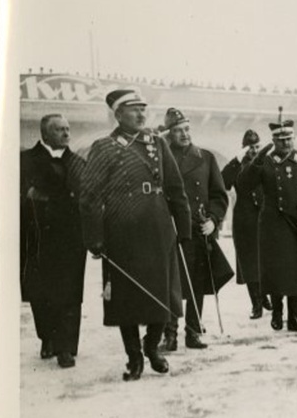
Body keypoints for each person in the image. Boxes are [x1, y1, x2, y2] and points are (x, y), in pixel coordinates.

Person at [79, 89, 191, 381]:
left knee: (163, 294)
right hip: (122, 232)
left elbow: (176, 189)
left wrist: (184, 229)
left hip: (158, 229)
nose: (141, 114)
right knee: (127, 299)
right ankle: (134, 358)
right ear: (118, 115)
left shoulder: (157, 143)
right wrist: (95, 238)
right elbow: (89, 196)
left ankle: (152, 347)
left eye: (144, 109)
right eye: (133, 110)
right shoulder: (104, 147)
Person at [240, 119, 297, 332]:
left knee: (296, 270)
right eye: (280, 139)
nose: (285, 143)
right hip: (273, 224)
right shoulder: (265, 162)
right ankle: (277, 314)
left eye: (289, 139)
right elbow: (245, 184)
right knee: (276, 270)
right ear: (273, 140)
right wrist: (257, 160)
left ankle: (294, 317)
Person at [160, 108, 232, 351]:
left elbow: (219, 195)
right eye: (178, 130)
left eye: (187, 129)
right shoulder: (160, 156)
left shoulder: (205, 157)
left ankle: (193, 332)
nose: (184, 134)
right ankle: (169, 334)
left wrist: (213, 219)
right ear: (169, 133)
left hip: (197, 229)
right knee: (171, 283)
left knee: (196, 283)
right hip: (170, 229)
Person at [20, 114, 87, 368]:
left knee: (70, 291)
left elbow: (88, 199)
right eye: (60, 129)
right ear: (45, 134)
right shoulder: (25, 160)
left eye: (68, 129)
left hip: (71, 238)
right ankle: (47, 338)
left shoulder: (78, 162)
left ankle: (66, 347)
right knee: (41, 291)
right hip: (38, 237)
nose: (66, 133)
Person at [221, 129, 270, 319]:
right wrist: (235, 160)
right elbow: (223, 181)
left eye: (257, 147)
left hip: (264, 216)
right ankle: (256, 304)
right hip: (245, 220)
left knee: (267, 259)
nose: (255, 151)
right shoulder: (237, 166)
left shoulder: (266, 161)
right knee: (250, 263)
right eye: (251, 148)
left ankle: (266, 296)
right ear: (244, 148)